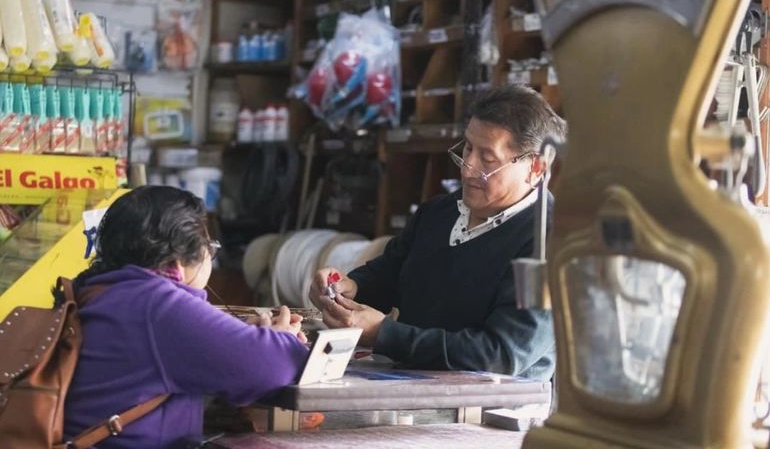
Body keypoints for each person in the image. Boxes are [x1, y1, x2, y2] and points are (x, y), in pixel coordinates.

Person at [310, 85, 566, 380]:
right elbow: (393, 272)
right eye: (468, 148)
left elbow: (500, 355)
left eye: (488, 159)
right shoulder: (439, 213)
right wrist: (349, 288)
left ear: (535, 167)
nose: (468, 168)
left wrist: (384, 334)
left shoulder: (551, 243)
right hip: (412, 390)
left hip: (495, 413)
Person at [63, 186, 308, 449]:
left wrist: (250, 337)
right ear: (179, 259)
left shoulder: (102, 292)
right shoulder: (155, 304)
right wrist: (284, 339)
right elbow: (271, 365)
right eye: (209, 248)